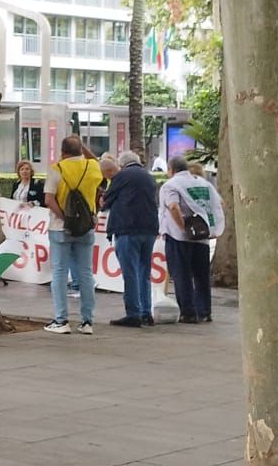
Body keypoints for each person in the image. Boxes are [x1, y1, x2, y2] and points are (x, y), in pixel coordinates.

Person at [45, 135, 103, 335]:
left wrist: (64, 217)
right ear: (81, 150)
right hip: (86, 227)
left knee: (60, 272)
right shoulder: (92, 167)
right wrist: (83, 148)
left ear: (62, 152)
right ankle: (87, 321)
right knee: (86, 273)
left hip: (60, 228)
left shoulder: (57, 168)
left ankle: (61, 320)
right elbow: (96, 160)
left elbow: (49, 199)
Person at [161, 154, 225, 323]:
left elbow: (173, 206)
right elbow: (219, 204)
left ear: (171, 169)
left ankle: (188, 312)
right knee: (201, 274)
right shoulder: (204, 183)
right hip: (202, 235)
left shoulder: (171, 185)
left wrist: (182, 226)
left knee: (182, 274)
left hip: (178, 237)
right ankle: (204, 311)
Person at [104, 151, 159, 328]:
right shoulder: (149, 177)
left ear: (121, 164)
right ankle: (146, 312)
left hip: (128, 228)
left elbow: (106, 200)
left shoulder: (122, 176)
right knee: (144, 272)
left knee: (130, 272)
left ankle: (133, 313)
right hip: (149, 229)